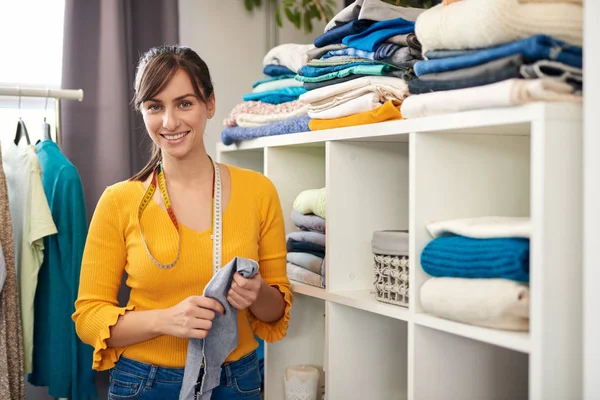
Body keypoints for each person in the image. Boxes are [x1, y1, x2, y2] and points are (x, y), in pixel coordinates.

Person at [72, 45, 292, 399]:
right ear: (142, 111)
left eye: (184, 103)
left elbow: (275, 312)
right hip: (144, 385)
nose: (170, 122)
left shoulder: (258, 192)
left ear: (210, 104)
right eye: (155, 107)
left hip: (237, 381)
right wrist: (166, 320)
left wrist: (256, 293)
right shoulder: (119, 201)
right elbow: (88, 317)